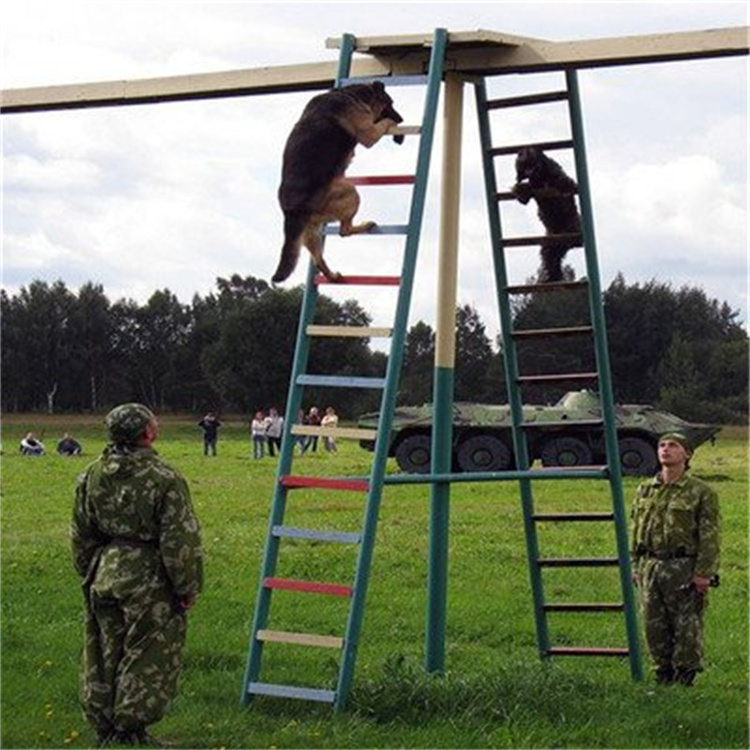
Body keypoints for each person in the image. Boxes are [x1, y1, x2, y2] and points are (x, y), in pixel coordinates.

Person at [70, 403, 203, 746]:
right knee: (146, 652)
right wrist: (186, 585)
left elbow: (81, 532)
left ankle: (104, 723)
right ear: (147, 433)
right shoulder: (165, 478)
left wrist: (89, 570)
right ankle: (130, 729)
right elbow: (179, 539)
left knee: (103, 650)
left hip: (105, 571)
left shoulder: (91, 474)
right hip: (148, 576)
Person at [630, 431, 720, 687]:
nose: (665, 450)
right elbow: (635, 528)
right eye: (661, 445)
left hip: (683, 566)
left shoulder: (700, 492)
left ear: (687, 454)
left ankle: (685, 675)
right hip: (651, 565)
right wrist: (635, 565)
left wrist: (704, 573)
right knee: (652, 622)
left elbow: (710, 535)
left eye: (673, 446)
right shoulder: (646, 489)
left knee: (686, 623)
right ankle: (662, 672)